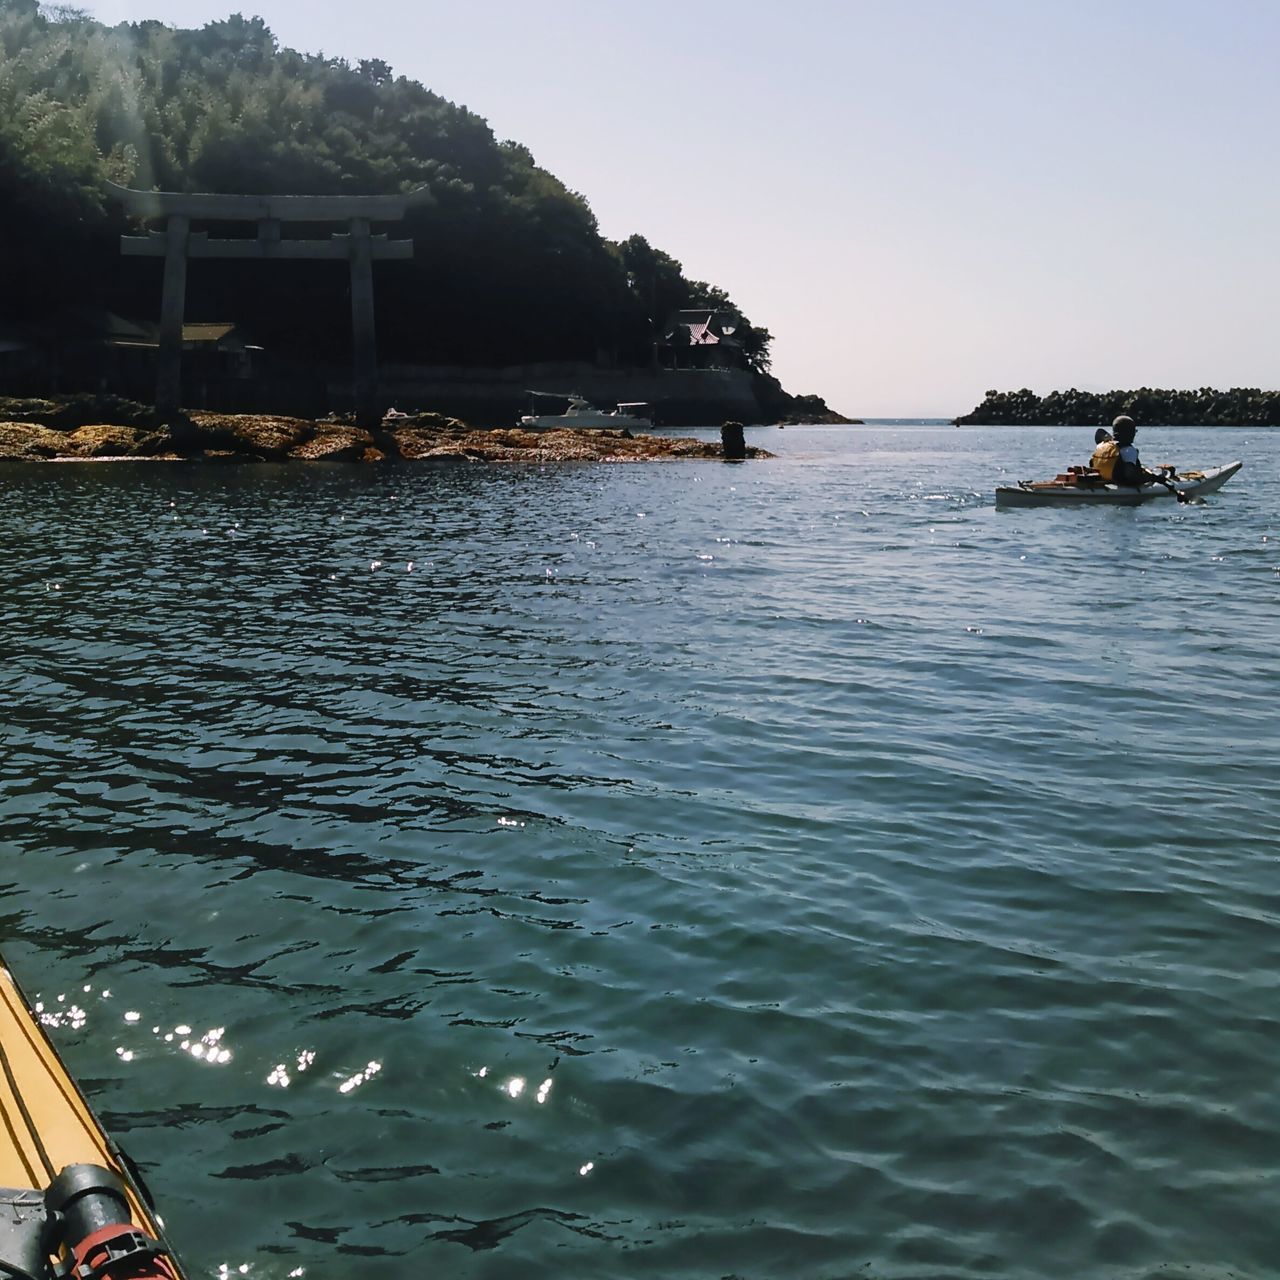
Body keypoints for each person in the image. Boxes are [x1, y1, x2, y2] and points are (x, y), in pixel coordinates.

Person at [1110, 415, 1162, 487]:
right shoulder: (1129, 450)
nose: (1134, 434)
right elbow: (1129, 475)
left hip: (1108, 481)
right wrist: (1149, 478)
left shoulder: (1106, 446)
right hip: (1122, 485)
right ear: (1129, 433)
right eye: (1134, 431)